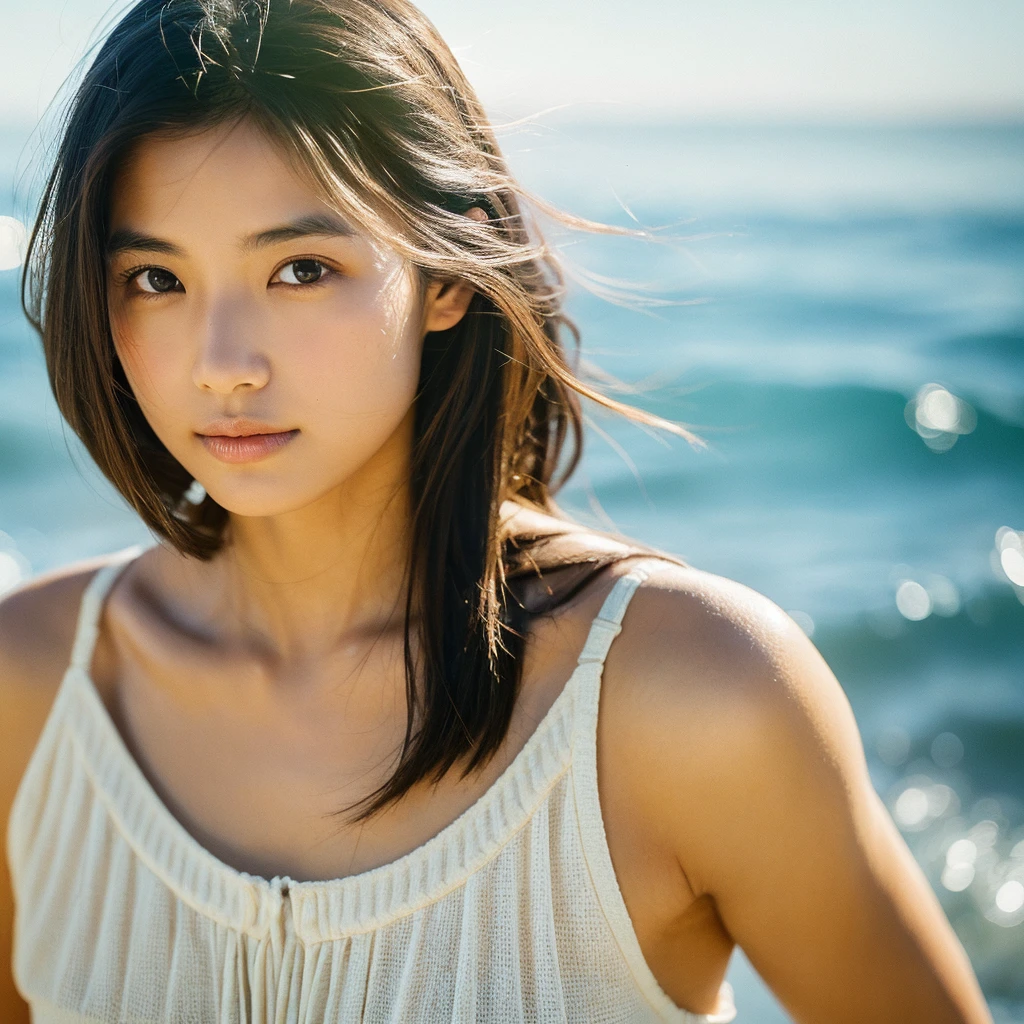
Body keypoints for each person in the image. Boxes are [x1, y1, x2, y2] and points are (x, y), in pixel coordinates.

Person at [0, 1, 994, 1021]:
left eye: (300, 269)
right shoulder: (29, 689)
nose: (223, 366)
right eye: (156, 278)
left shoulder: (692, 697)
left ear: (444, 275)